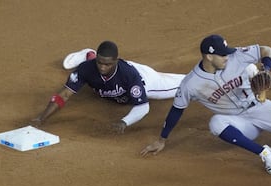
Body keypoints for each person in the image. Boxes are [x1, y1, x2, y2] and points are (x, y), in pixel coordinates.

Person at [140, 34, 271, 175]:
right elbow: (177, 110)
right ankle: (264, 153)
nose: (228, 56)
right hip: (240, 123)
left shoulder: (236, 57)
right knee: (216, 123)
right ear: (209, 56)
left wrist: (267, 70)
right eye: (222, 55)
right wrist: (162, 139)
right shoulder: (191, 84)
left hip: (261, 108)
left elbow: (266, 50)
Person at [31, 41, 185, 134]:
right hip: (120, 75)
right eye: (99, 62)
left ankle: (207, 77)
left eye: (108, 64)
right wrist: (41, 117)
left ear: (116, 61)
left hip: (147, 80)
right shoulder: (87, 69)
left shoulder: (129, 75)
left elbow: (143, 107)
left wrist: (124, 122)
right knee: (96, 68)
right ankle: (89, 54)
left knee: (186, 84)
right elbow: (64, 94)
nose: (103, 67)